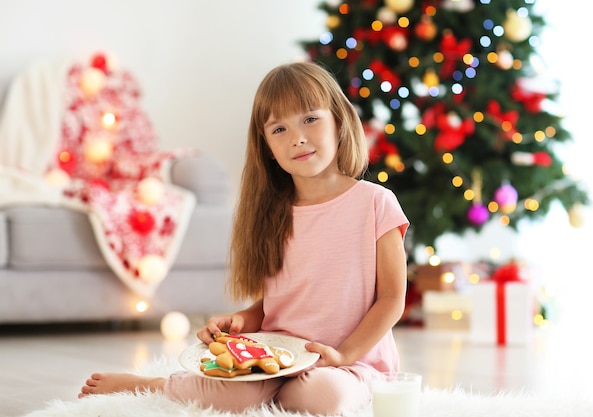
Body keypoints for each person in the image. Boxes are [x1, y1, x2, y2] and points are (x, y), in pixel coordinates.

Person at [78, 61, 409, 416]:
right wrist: (240, 321)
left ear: (340, 122)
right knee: (235, 393)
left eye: (310, 119)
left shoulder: (375, 202)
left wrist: (343, 354)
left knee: (322, 398)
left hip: (351, 364)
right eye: (279, 128)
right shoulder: (272, 213)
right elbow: (273, 306)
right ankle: (159, 385)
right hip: (279, 355)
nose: (297, 137)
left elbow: (391, 298)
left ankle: (272, 393)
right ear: (267, 147)